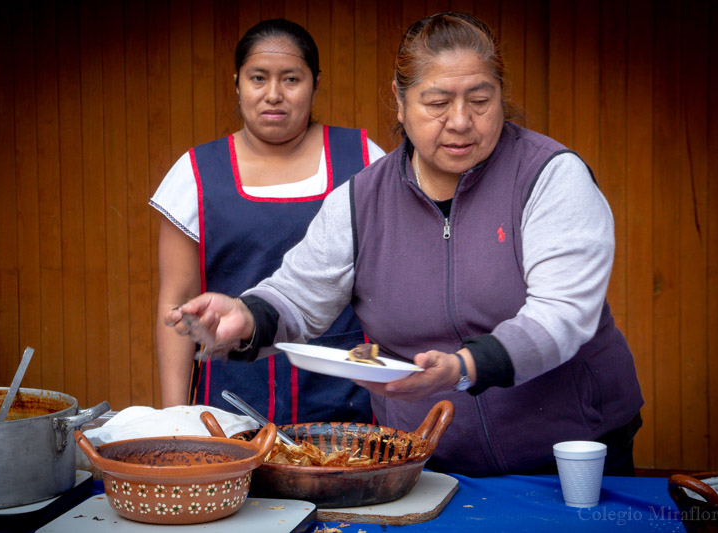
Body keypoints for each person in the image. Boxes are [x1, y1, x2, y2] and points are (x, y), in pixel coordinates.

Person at [164, 12, 643, 477]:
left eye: (480, 99)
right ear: (400, 99)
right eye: (437, 102)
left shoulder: (548, 176)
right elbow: (296, 298)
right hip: (428, 464)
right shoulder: (361, 200)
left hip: (572, 455)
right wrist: (245, 319)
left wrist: (464, 367)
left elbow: (564, 313)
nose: (460, 121)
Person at [151, 18, 385, 424]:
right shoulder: (196, 174)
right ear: (237, 83)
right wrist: (176, 419)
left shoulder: (364, 160)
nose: (273, 95)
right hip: (229, 405)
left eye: (291, 79)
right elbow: (177, 307)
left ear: (315, 83)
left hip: (350, 406)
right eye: (258, 78)